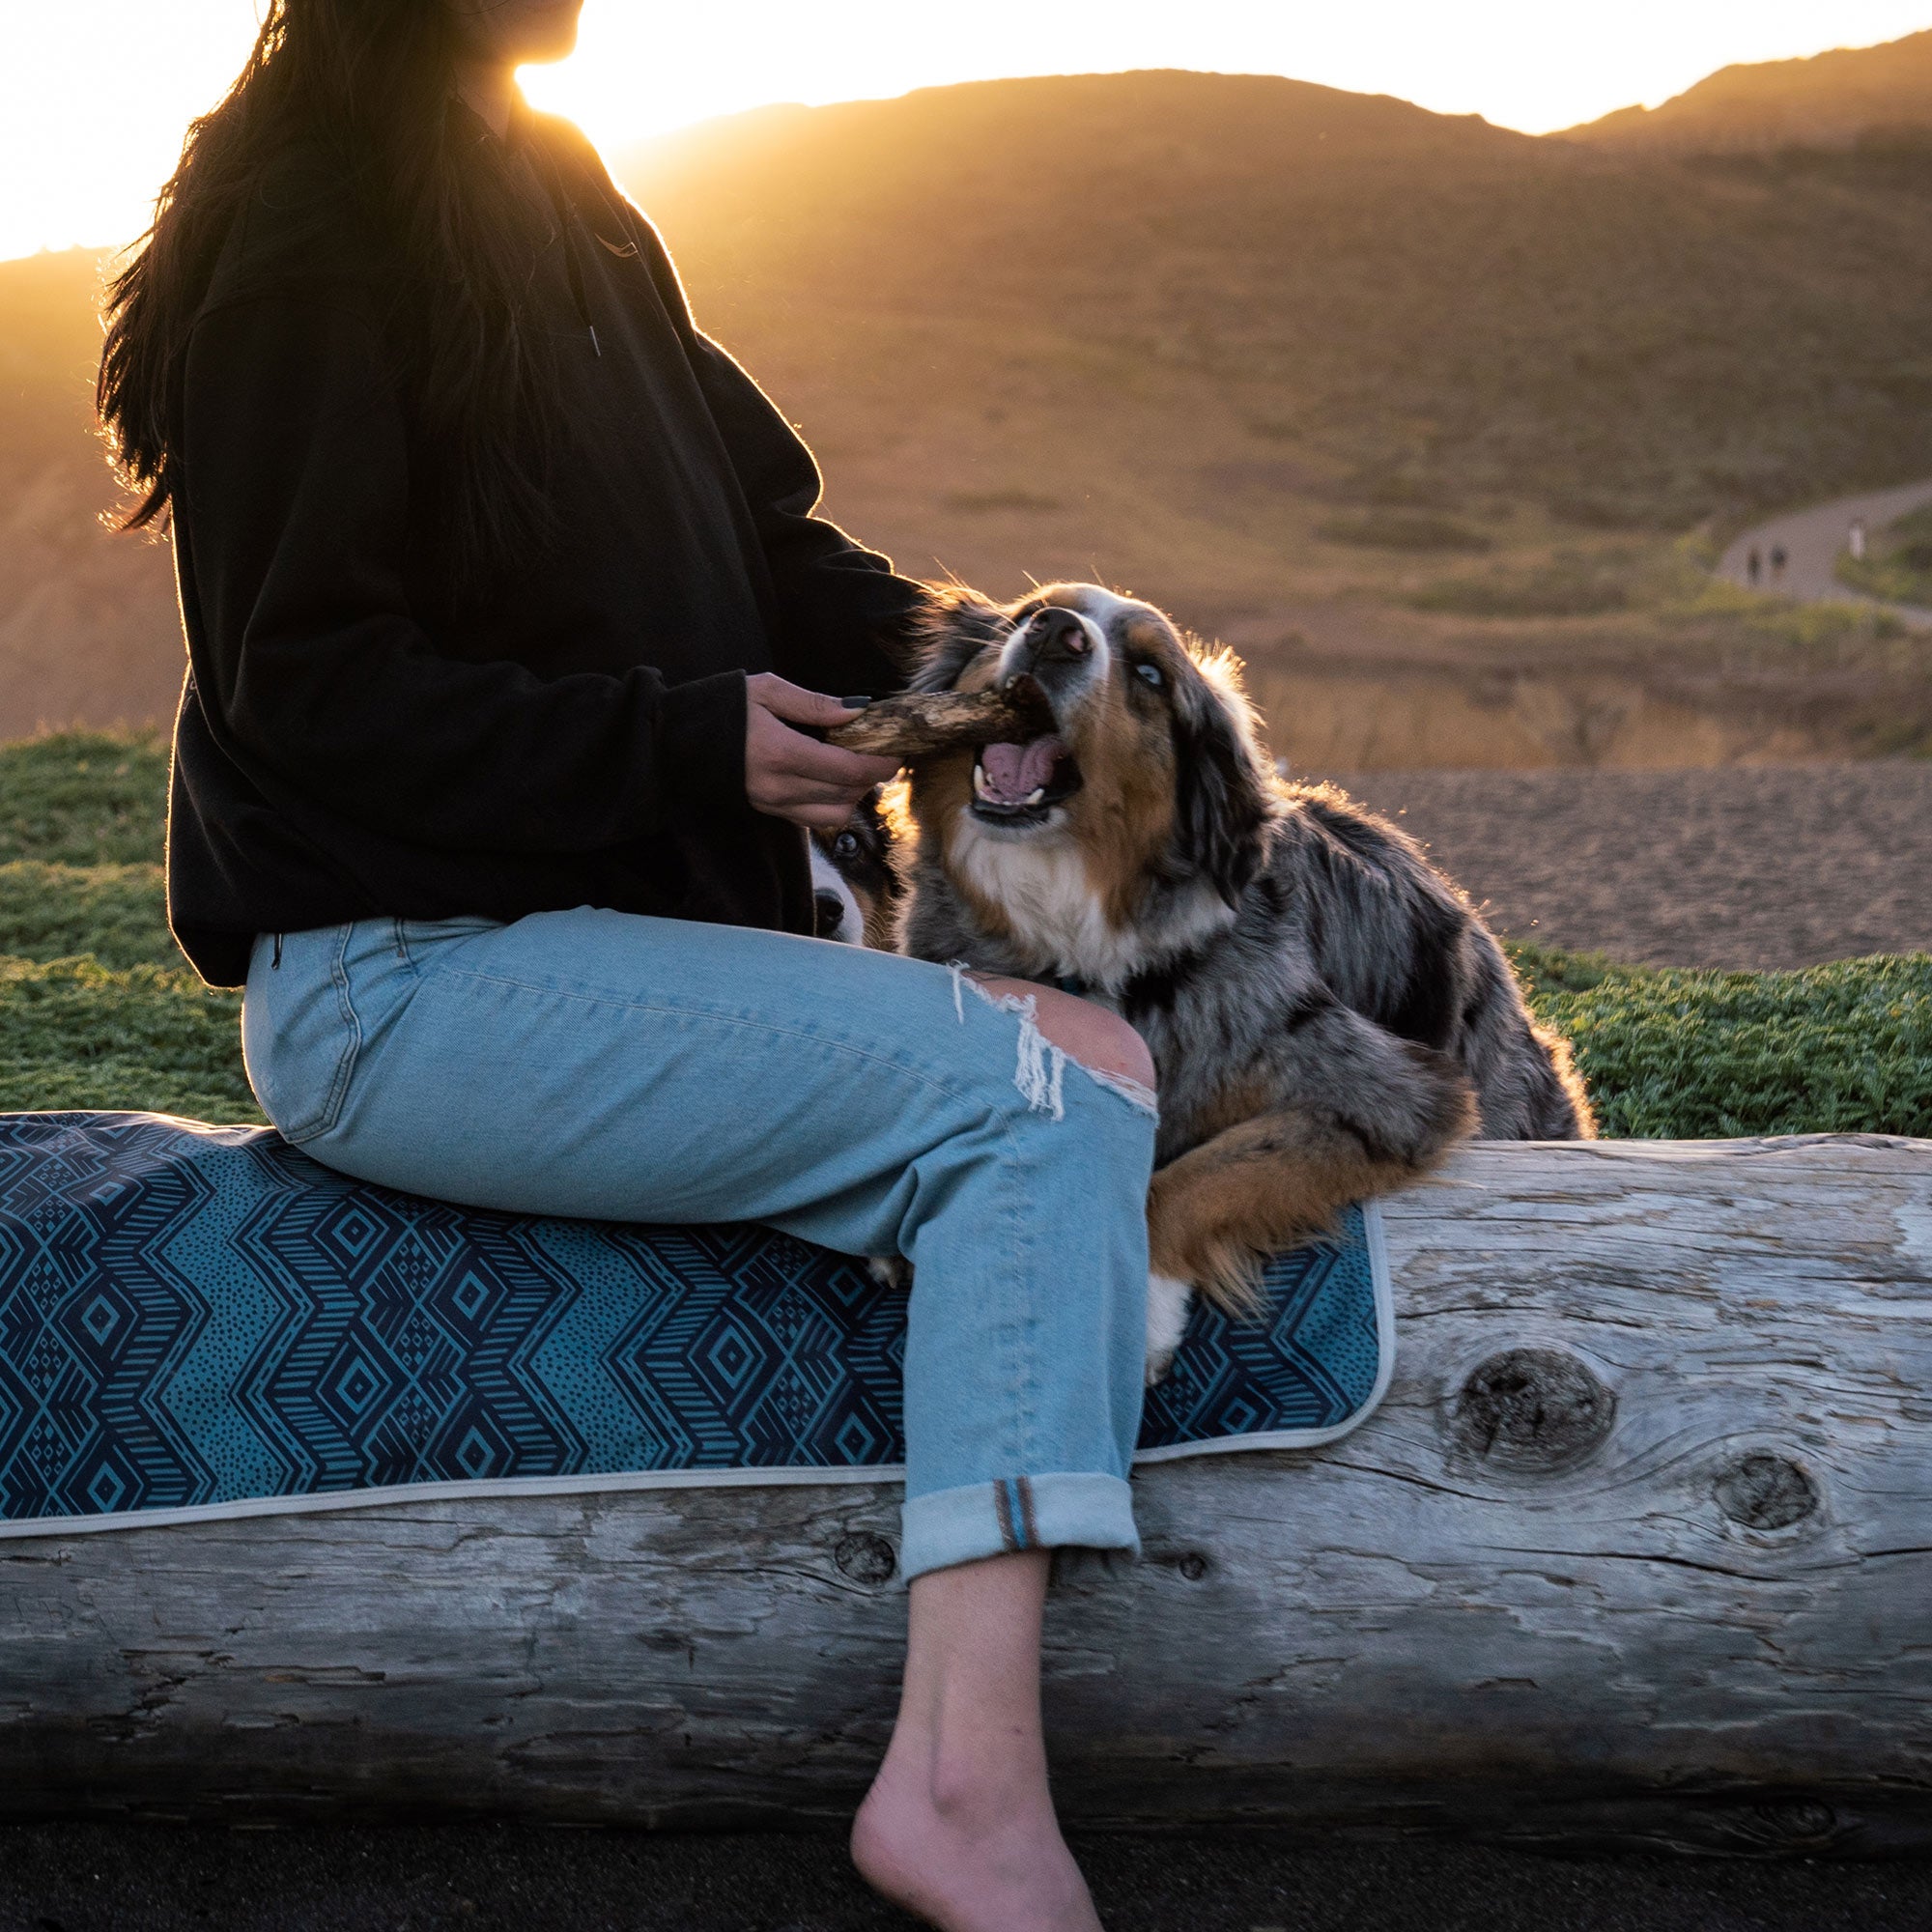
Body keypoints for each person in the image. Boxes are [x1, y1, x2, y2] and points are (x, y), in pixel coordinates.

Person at [95, 4, 1156, 1926]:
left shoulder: (554, 183)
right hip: (404, 979)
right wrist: (679, 742)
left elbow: (761, 544)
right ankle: (964, 1798)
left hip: (592, 950)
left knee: (1087, 1046)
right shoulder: (308, 230)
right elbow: (309, 693)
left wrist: (983, 677)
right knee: (1042, 1100)